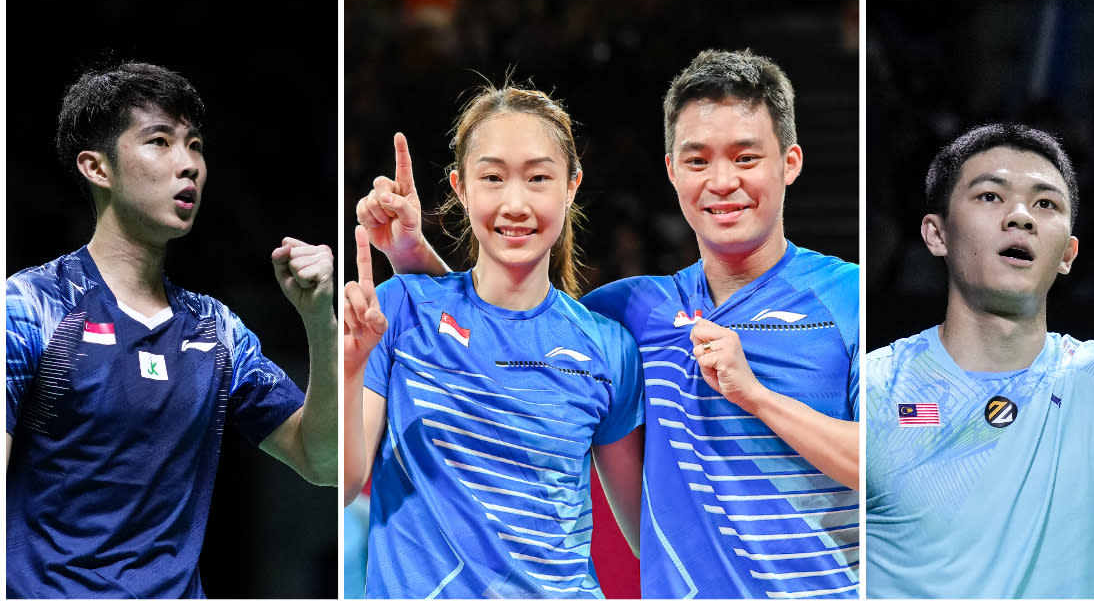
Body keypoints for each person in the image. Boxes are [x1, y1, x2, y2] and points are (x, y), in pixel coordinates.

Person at [358, 49, 860, 598]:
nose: (721, 181)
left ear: (788, 163)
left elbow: (894, 466)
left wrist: (756, 396)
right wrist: (413, 256)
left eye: (745, 158)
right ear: (672, 171)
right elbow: (498, 318)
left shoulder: (849, 298)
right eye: (697, 161)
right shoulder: (630, 315)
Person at [864, 4, 1094, 599]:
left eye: (1045, 204)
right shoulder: (868, 391)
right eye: (990, 196)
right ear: (936, 233)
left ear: (1067, 253)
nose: (1020, 213)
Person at [5, 62, 338, 598]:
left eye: (196, 145)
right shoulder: (31, 307)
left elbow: (322, 462)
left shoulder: (216, 330)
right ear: (97, 167)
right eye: (160, 142)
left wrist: (320, 320)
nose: (189, 165)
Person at [342, 83, 645, 598]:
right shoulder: (400, 308)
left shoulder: (608, 348)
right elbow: (344, 481)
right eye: (493, 177)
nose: (515, 203)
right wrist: (350, 369)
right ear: (460, 188)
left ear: (572, 186)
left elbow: (644, 532)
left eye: (538, 178)